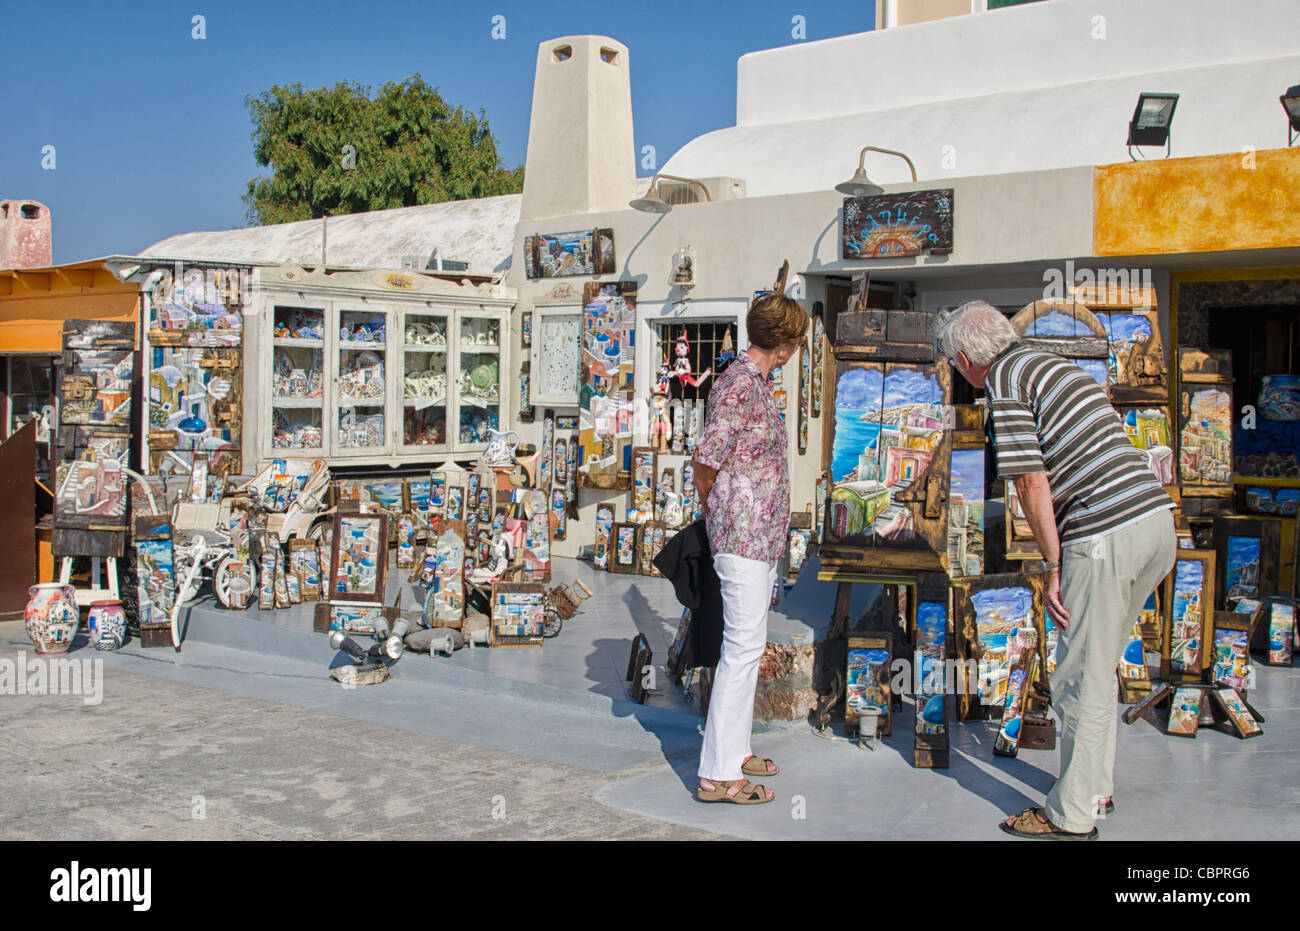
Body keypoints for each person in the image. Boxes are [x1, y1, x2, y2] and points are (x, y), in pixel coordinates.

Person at [935, 300, 1176, 839]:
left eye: (954, 362)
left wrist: (1052, 565)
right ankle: (1097, 789)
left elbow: (1031, 482)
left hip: (1106, 531)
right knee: (1101, 661)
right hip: (1155, 524)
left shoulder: (1007, 380)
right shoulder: (1051, 364)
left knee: (1079, 677)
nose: (957, 373)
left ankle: (1070, 817)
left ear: (969, 357)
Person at [691, 293, 808, 804]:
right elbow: (706, 459)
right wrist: (714, 511)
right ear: (782, 344)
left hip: (757, 539)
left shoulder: (755, 384)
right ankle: (717, 774)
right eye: (796, 341)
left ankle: (734, 751)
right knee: (740, 651)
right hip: (739, 536)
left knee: (749, 648)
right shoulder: (739, 385)